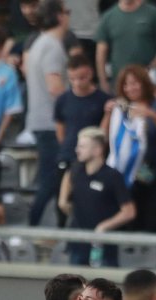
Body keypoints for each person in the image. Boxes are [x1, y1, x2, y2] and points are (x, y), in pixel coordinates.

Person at [100, 65, 156, 250]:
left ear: (144, 84)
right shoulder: (120, 108)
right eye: (126, 85)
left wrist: (151, 115)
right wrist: (108, 114)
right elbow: (102, 136)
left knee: (155, 218)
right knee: (135, 216)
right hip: (127, 174)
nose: (130, 88)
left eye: (135, 83)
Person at [59, 127, 135, 267]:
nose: (77, 150)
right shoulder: (76, 171)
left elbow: (129, 212)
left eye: (82, 146)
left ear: (97, 150)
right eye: (78, 146)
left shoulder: (112, 176)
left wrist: (104, 226)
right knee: (75, 286)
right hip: (78, 242)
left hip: (103, 246)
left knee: (103, 286)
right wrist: (68, 207)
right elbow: (64, 198)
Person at [25, 0, 70, 228]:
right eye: (66, 12)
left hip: (41, 121)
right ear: (60, 16)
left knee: (54, 179)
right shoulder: (52, 45)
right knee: (52, 180)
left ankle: (53, 227)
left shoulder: (39, 43)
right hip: (51, 124)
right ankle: (33, 226)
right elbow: (54, 86)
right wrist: (74, 107)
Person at [52, 55, 110, 229]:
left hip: (93, 159)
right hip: (68, 155)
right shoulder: (63, 100)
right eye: (72, 79)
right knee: (62, 200)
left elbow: (103, 134)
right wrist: (69, 148)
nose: (77, 83)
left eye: (82, 78)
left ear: (91, 74)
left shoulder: (102, 99)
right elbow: (60, 129)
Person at [94, 0, 156, 94]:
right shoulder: (108, 17)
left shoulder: (152, 13)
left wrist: (152, 67)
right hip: (120, 84)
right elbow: (101, 52)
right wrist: (103, 81)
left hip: (148, 82)